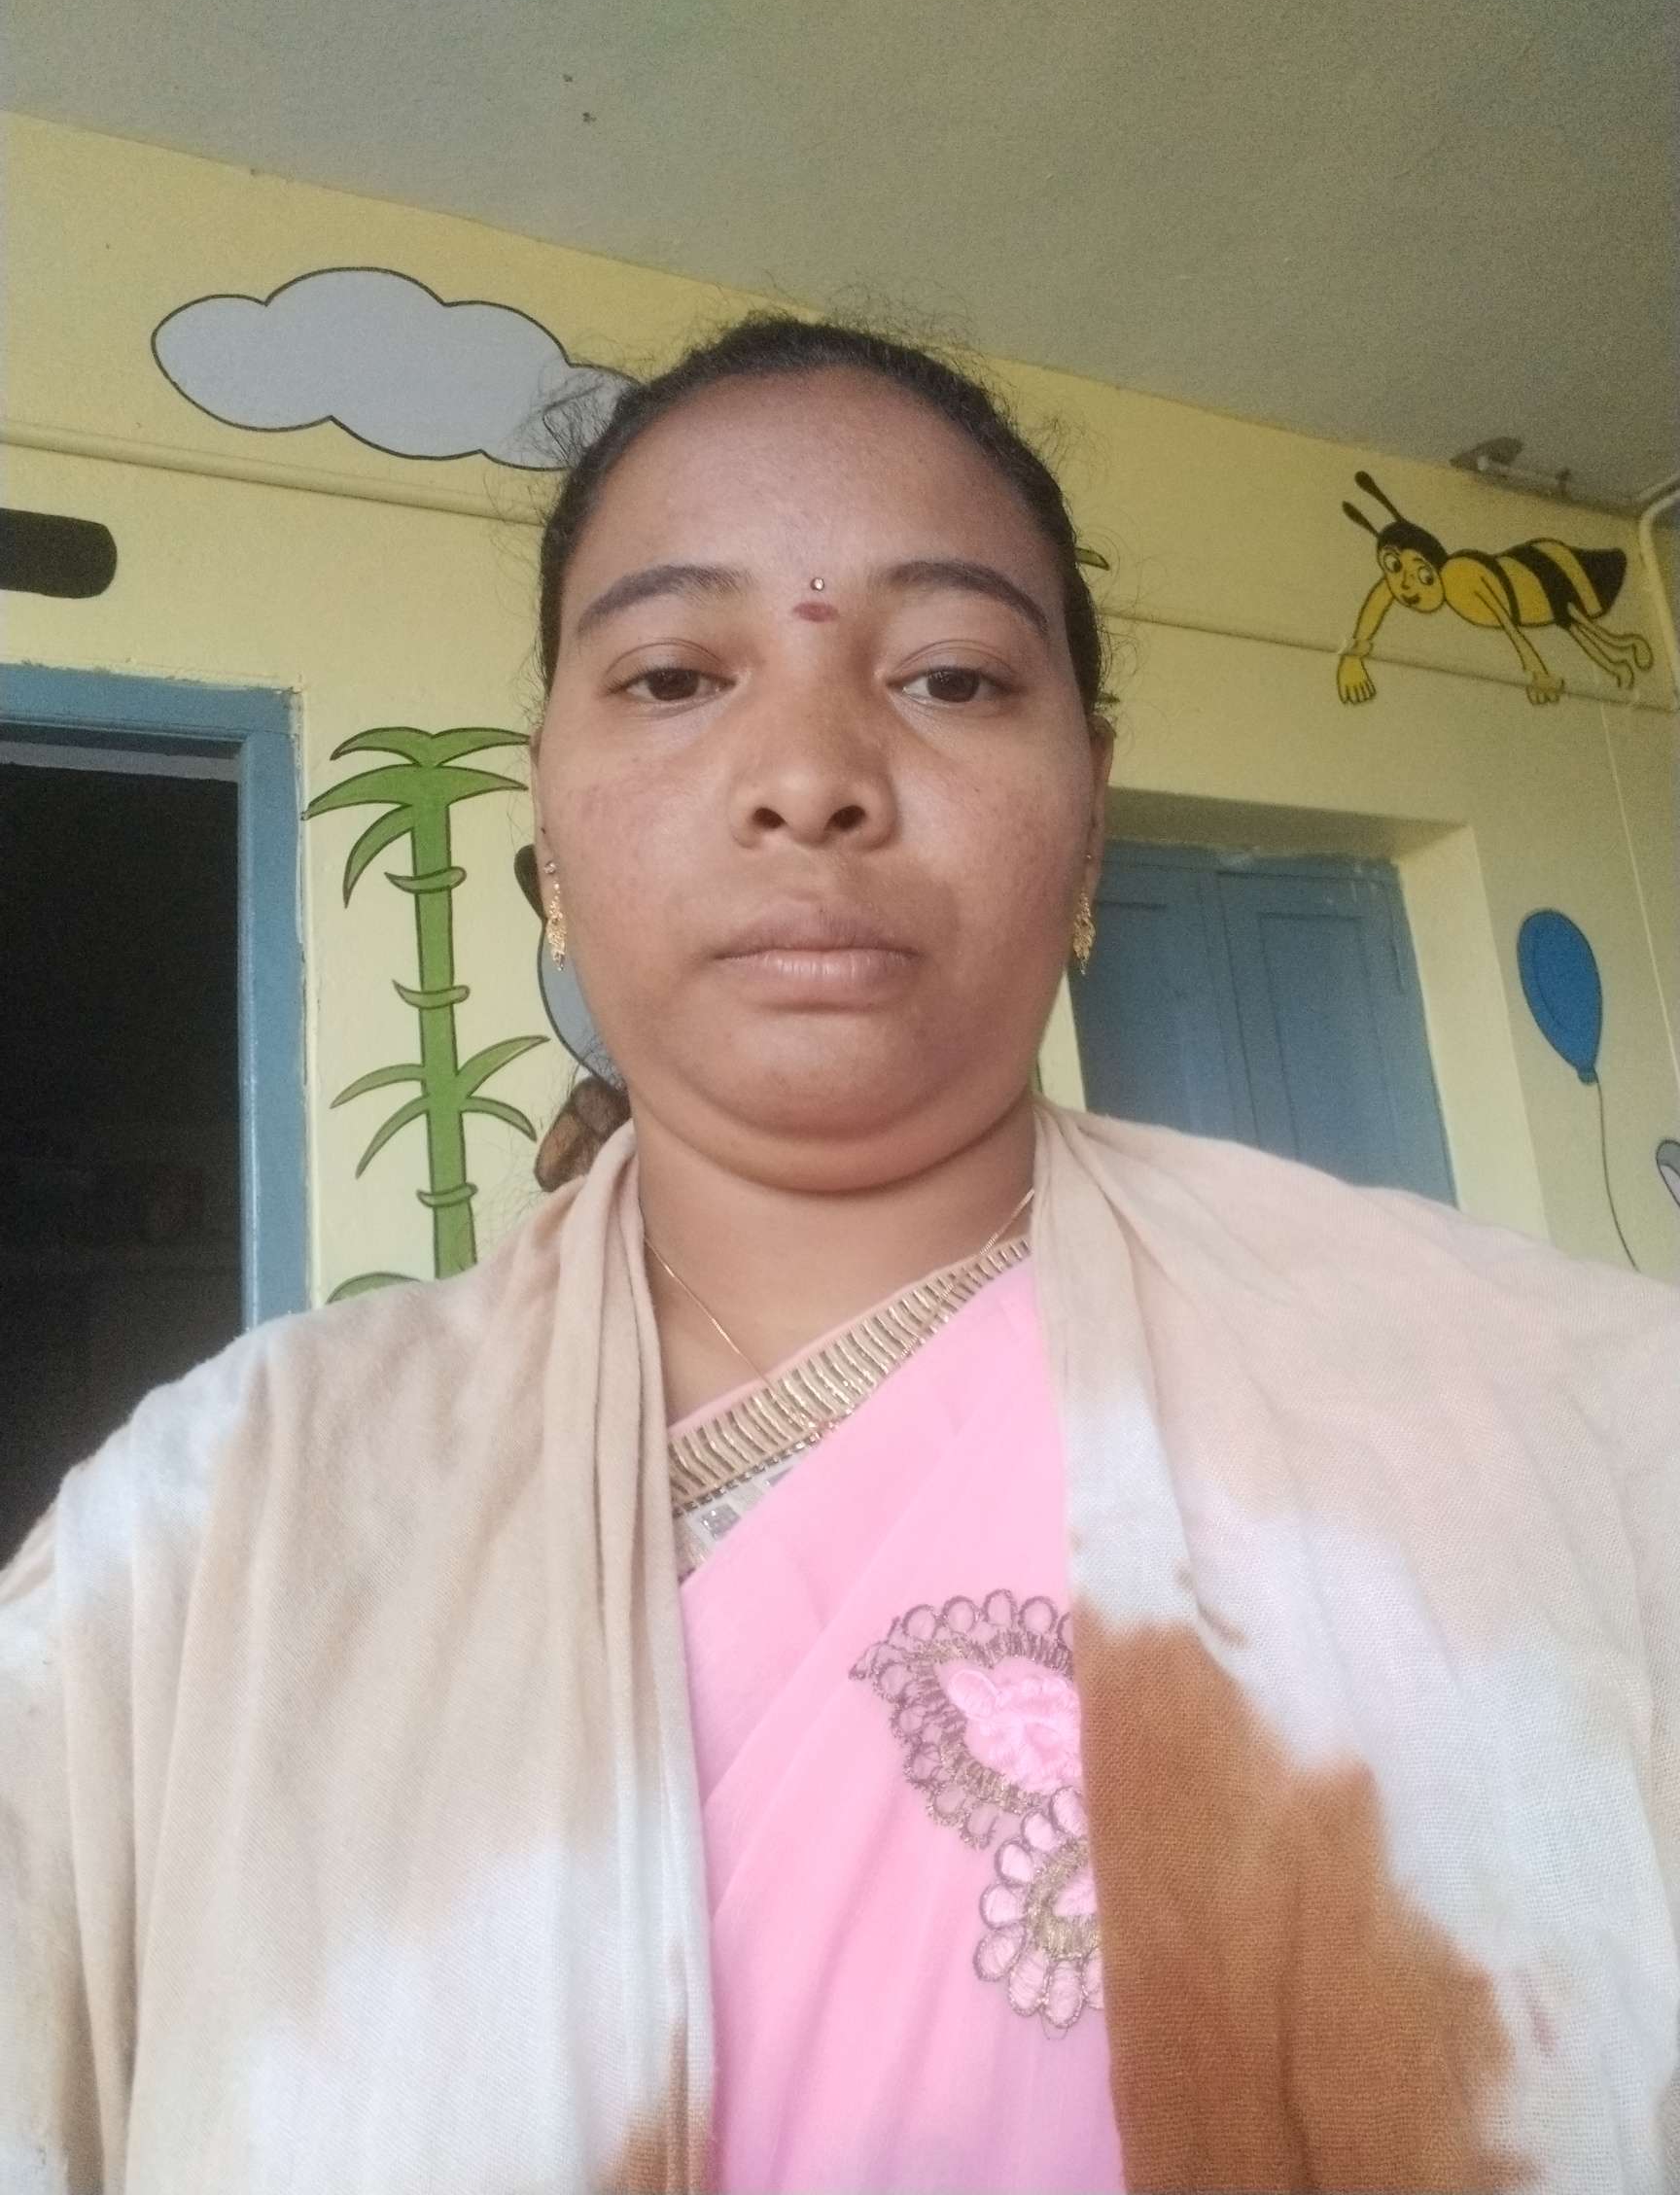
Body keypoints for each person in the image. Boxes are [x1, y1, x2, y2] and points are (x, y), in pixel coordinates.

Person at [1, 315, 1676, 2195]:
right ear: (545, 816)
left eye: (952, 676)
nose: (809, 775)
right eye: (671, 677)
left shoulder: (1563, 1424)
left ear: (1091, 809)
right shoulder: (217, 1533)